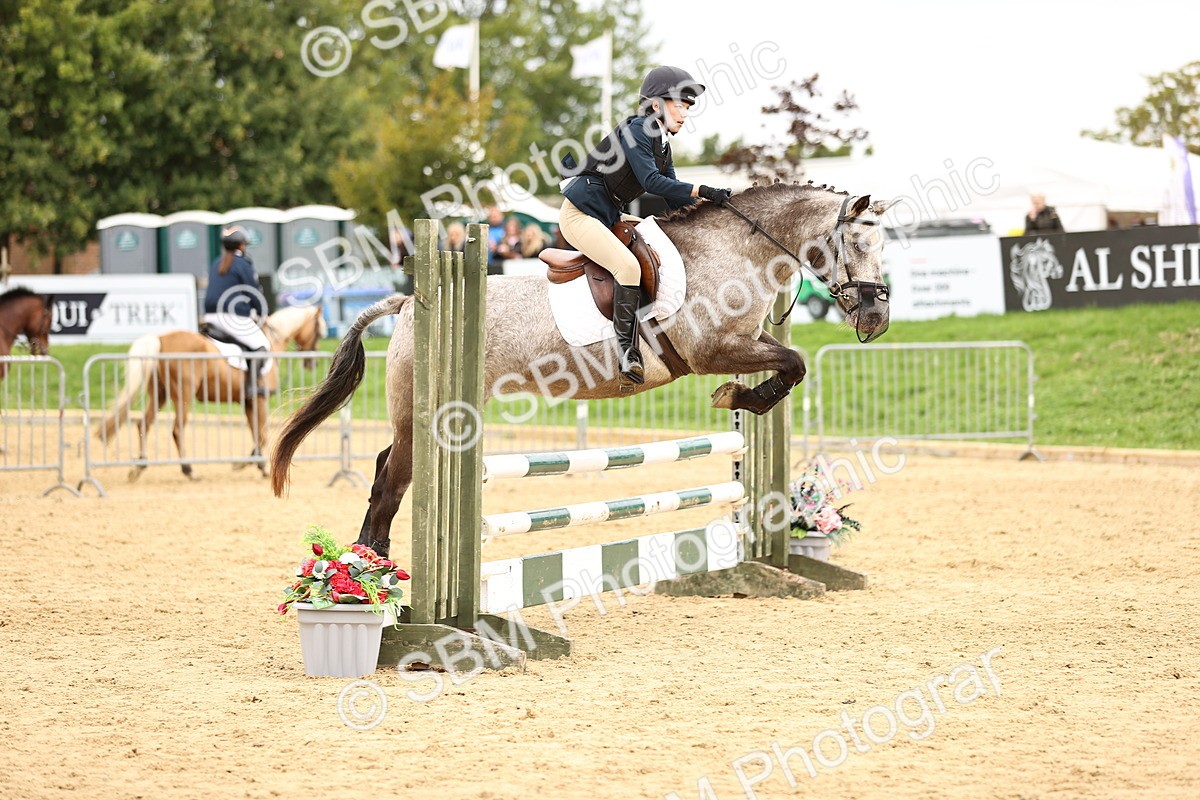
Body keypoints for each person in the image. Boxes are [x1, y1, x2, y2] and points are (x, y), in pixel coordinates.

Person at [559, 65, 731, 386]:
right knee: (628, 268)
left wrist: (717, 212)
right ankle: (628, 353)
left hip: (608, 215)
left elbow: (674, 194)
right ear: (656, 105)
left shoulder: (662, 143)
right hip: (580, 215)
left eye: (688, 108)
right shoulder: (640, 129)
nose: (685, 114)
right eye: (680, 105)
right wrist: (704, 190)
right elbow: (652, 182)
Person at [203, 226, 270, 395]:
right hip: (231, 317)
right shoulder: (242, 264)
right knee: (262, 345)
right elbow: (252, 291)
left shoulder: (216, 262)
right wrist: (262, 311)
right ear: (241, 245)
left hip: (210, 316)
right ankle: (251, 387)